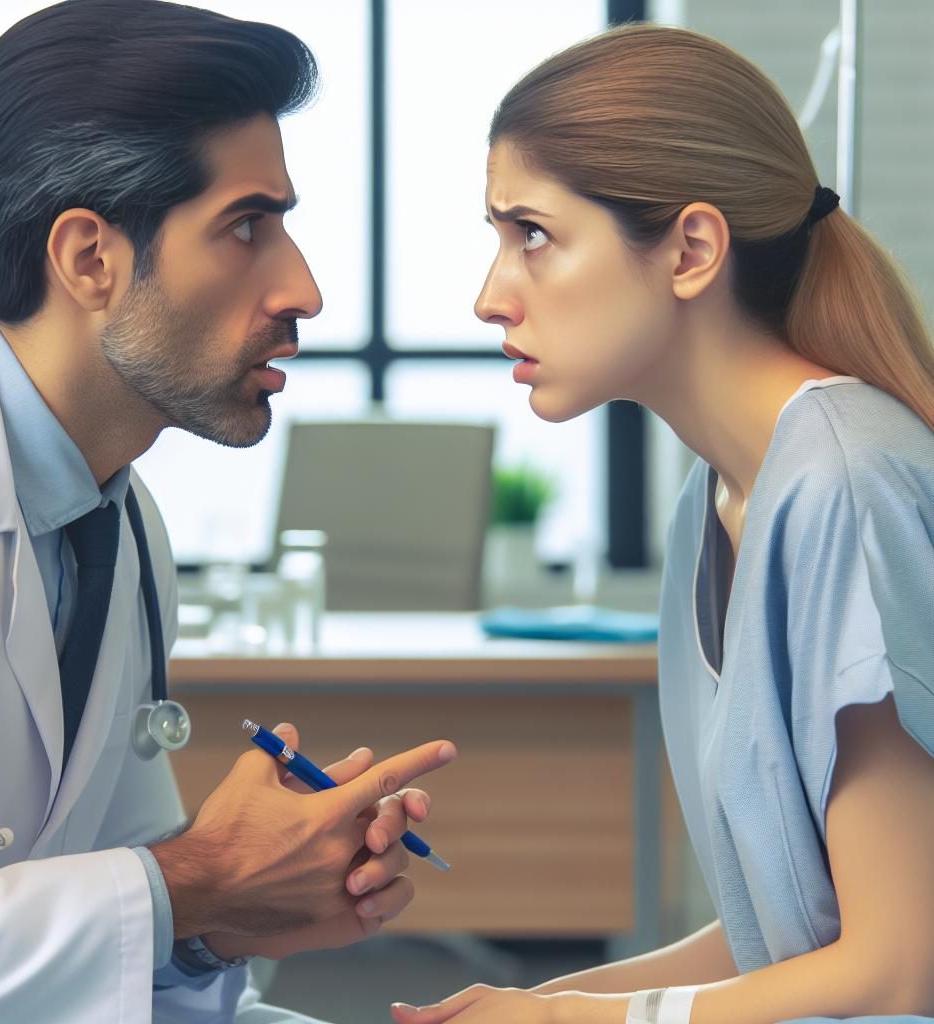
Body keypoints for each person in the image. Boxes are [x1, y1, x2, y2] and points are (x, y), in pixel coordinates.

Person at [0, 2, 456, 1021]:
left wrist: (225, 917)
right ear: (89, 259)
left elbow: (111, 941)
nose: (304, 288)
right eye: (247, 227)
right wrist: (192, 882)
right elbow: (145, 889)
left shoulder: (116, 521)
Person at [390, 23, 934, 1024]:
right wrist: (534, 1001)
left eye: (533, 236)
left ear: (689, 249)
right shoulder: (718, 495)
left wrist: (566, 1021)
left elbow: (899, 967)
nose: (487, 296)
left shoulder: (843, 485)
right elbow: (791, 930)